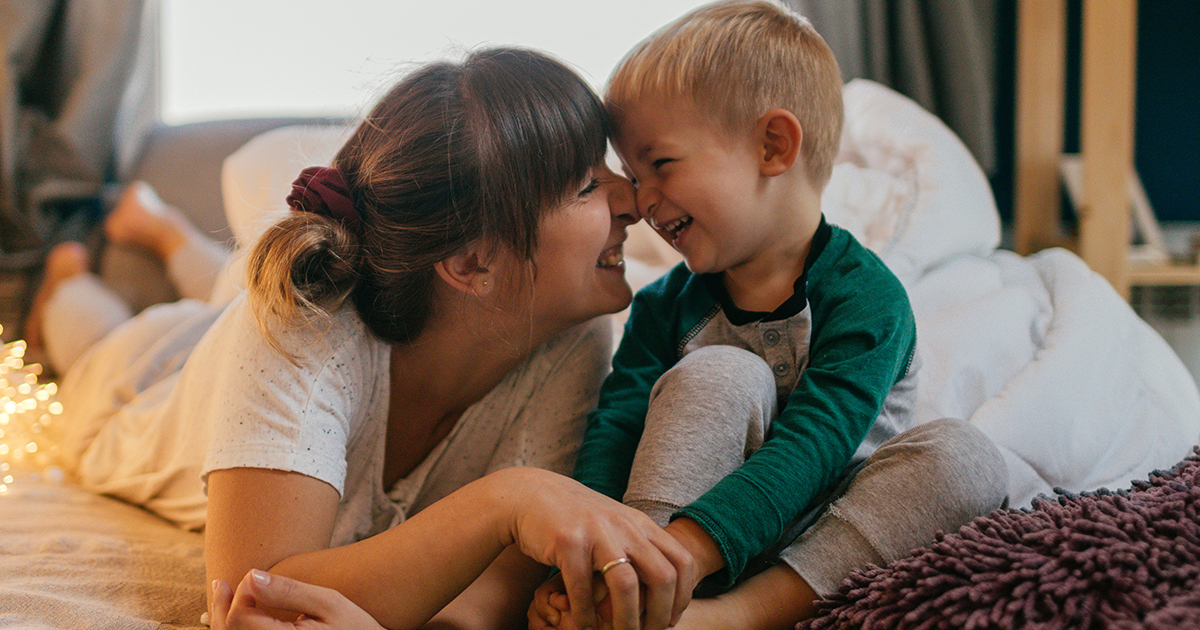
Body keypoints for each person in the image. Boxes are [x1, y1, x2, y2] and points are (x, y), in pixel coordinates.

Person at [31, 48, 696, 630]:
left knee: (233, 290)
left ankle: (169, 233)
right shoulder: (300, 325)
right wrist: (508, 498)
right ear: (470, 263)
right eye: (587, 184)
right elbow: (254, 595)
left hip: (255, 332)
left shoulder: (572, 340)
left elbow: (489, 600)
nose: (631, 199)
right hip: (147, 379)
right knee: (94, 334)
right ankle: (71, 269)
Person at [528, 2, 1009, 629]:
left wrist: (689, 553)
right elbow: (616, 429)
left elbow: (816, 444)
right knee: (722, 372)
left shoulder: (868, 299)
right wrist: (589, 559)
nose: (642, 201)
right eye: (632, 173)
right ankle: (629, 593)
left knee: (965, 456)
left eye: (661, 164)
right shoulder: (662, 305)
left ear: (772, 146)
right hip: (662, 539)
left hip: (819, 535)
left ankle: (727, 617)